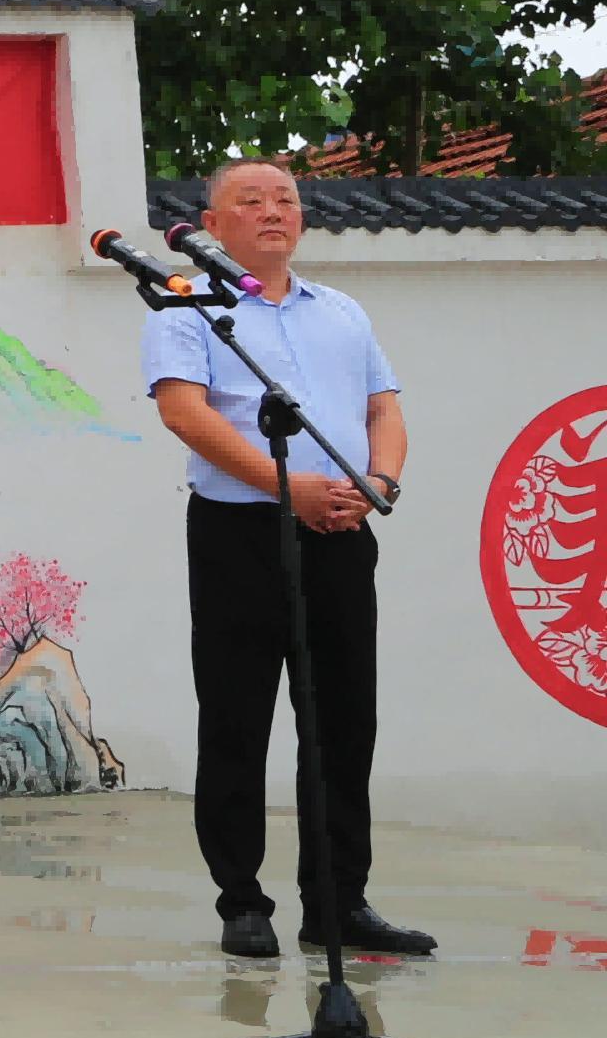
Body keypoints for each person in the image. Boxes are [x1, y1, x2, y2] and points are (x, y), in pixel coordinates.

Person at [148, 159, 431, 961]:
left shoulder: (341, 311)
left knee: (343, 721)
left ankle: (339, 901)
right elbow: (185, 412)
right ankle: (242, 900)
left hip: (341, 530)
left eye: (286, 200)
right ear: (212, 222)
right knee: (236, 717)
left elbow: (383, 408)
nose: (273, 211)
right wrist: (286, 486)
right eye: (251, 200)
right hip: (239, 533)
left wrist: (377, 484)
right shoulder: (188, 304)